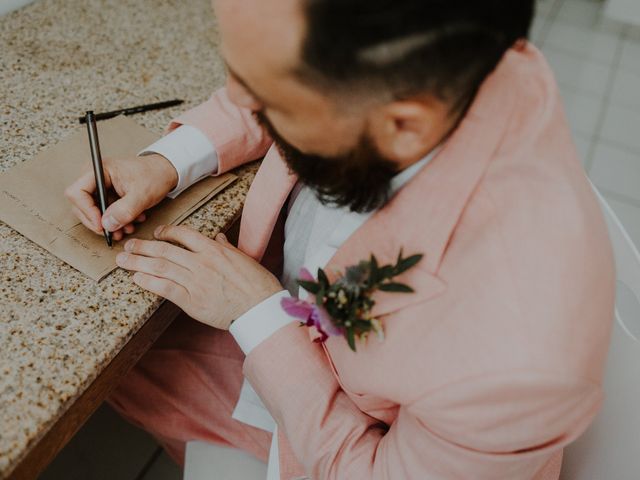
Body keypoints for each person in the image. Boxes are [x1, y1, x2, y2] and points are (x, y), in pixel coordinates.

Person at [65, 0, 616, 478]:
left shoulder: (519, 362)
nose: (239, 98)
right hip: (308, 322)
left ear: (402, 124)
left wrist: (259, 316)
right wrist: (170, 160)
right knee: (115, 359)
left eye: (270, 98)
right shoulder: (431, 59)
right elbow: (270, 76)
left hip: (355, 430)